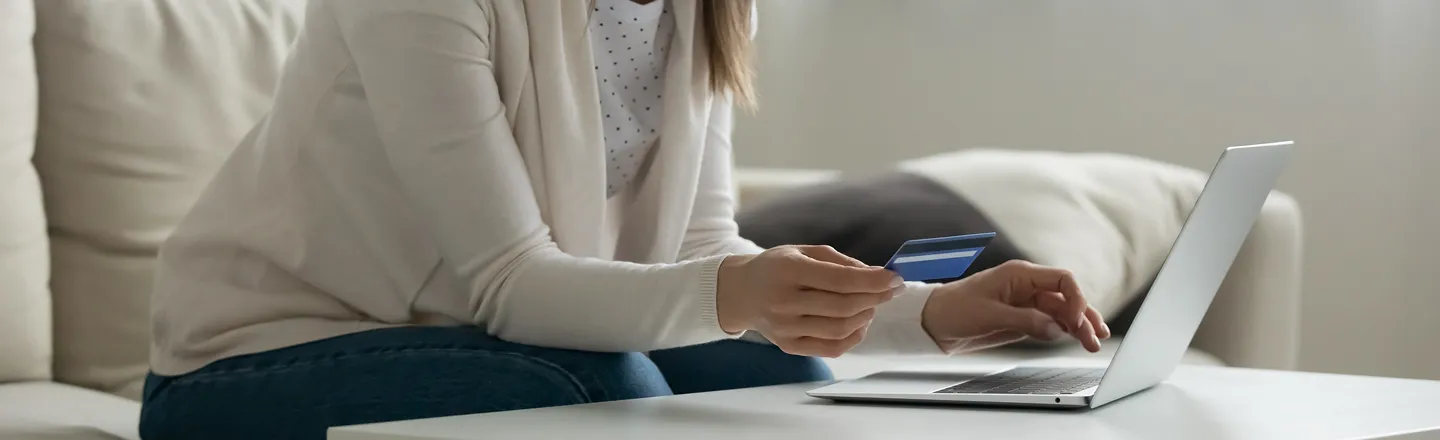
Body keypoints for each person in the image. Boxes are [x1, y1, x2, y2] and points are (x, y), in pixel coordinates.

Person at [137, 1, 1109, 439]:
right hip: (252, 365)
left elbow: (698, 250)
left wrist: (930, 313)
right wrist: (739, 292)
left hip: (466, 339)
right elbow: (511, 279)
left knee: (770, 366)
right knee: (600, 388)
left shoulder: (712, 8)